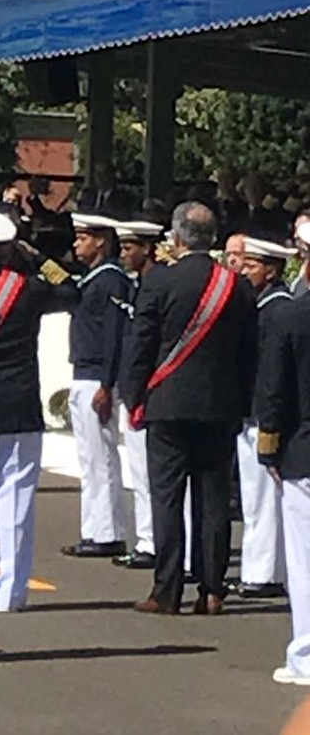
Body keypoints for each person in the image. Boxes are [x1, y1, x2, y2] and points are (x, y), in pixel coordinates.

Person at [126, 202, 257, 616]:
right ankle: (213, 588)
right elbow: (248, 353)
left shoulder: (161, 281)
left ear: (178, 237)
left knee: (167, 499)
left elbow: (142, 345)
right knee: (213, 499)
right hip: (220, 405)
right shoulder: (235, 285)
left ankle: (166, 591)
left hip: (167, 402)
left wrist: (134, 397)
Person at [0, 211, 78, 614]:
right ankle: (13, 591)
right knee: (17, 501)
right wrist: (38, 257)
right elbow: (73, 290)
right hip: (21, 403)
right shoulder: (31, 290)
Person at [62, 214, 131, 558]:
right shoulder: (94, 279)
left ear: (101, 240)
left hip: (96, 377)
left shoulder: (111, 280)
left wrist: (107, 382)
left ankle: (107, 532)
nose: (77, 244)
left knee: (101, 457)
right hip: (84, 373)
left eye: (83, 238)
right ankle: (94, 528)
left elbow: (113, 335)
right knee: (88, 458)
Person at [257, 276, 310, 686]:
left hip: (304, 449)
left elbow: (274, 392)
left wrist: (269, 445)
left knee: (304, 562)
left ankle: (306, 655)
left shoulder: (291, 316)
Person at [234, 236, 292, 598]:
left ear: (271, 270)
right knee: (254, 497)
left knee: (262, 499)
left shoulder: (275, 310)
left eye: (252, 266)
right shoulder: (262, 306)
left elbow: (271, 372)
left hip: (262, 412)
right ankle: (261, 568)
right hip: (252, 410)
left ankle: (263, 573)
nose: (244, 271)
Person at [113, 220, 165, 571]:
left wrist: (133, 393)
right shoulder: (139, 284)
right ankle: (148, 538)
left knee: (147, 474)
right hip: (137, 388)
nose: (124, 254)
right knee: (141, 472)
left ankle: (150, 541)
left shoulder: (155, 285)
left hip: (148, 390)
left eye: (129, 247)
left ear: (147, 248)